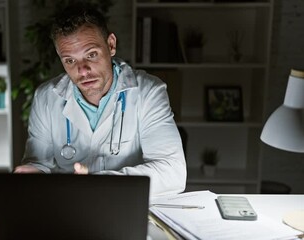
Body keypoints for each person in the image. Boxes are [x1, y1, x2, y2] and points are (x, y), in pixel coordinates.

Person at [14, 2, 186, 196]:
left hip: (129, 205)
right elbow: (39, 165)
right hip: (70, 206)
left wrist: (99, 182)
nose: (82, 70)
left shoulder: (148, 92)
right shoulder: (46, 97)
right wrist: (31, 172)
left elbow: (173, 174)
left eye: (91, 54)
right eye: (70, 60)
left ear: (111, 45)